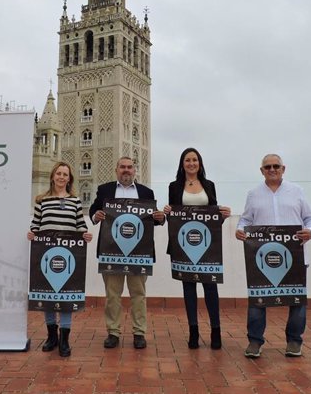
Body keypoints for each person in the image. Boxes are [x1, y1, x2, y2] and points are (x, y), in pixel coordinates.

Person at [235, 154, 311, 359]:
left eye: (276, 166)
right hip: (261, 258)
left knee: (297, 301)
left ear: (283, 168)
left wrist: (310, 231)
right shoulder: (253, 194)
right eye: (267, 166)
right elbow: (245, 220)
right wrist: (240, 230)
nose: (272, 169)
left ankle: (294, 341)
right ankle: (255, 341)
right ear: (261, 170)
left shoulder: (297, 191)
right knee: (257, 301)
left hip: (295, 256)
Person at [89, 156, 165, 349]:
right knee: (112, 294)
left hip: (139, 252)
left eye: (130, 167)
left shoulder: (146, 192)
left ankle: (139, 333)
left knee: (138, 294)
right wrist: (95, 216)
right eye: (122, 167)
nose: (126, 170)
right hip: (111, 251)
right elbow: (94, 210)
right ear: (116, 170)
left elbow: (153, 218)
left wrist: (161, 217)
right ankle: (113, 332)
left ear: (134, 171)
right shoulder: (105, 190)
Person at [163, 148, 231, 350]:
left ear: (199, 163)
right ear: (182, 164)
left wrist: (223, 214)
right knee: (188, 288)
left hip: (207, 244)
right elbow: (173, 217)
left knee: (211, 287)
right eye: (187, 160)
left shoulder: (209, 185)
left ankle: (215, 330)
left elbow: (213, 214)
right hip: (184, 245)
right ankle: (193, 331)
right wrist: (168, 211)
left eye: (194, 160)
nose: (191, 163)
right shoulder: (174, 186)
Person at [27, 161, 92, 357]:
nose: (62, 177)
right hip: (46, 253)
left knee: (66, 296)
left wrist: (85, 235)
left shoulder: (75, 201)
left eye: (65, 174)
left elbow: (80, 225)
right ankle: (51, 337)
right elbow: (35, 225)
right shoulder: (41, 201)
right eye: (59, 173)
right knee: (48, 295)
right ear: (53, 177)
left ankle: (64, 339)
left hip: (68, 254)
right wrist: (32, 234)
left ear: (69, 179)